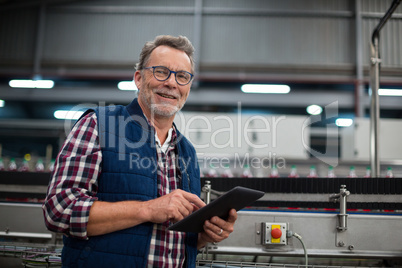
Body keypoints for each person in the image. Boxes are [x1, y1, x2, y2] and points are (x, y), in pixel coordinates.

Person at [42, 35, 237, 268]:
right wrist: (148, 209)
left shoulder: (187, 152)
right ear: (138, 78)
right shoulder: (99, 126)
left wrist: (205, 234)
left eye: (182, 76)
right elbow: (59, 210)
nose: (172, 83)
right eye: (161, 72)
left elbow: (175, 242)